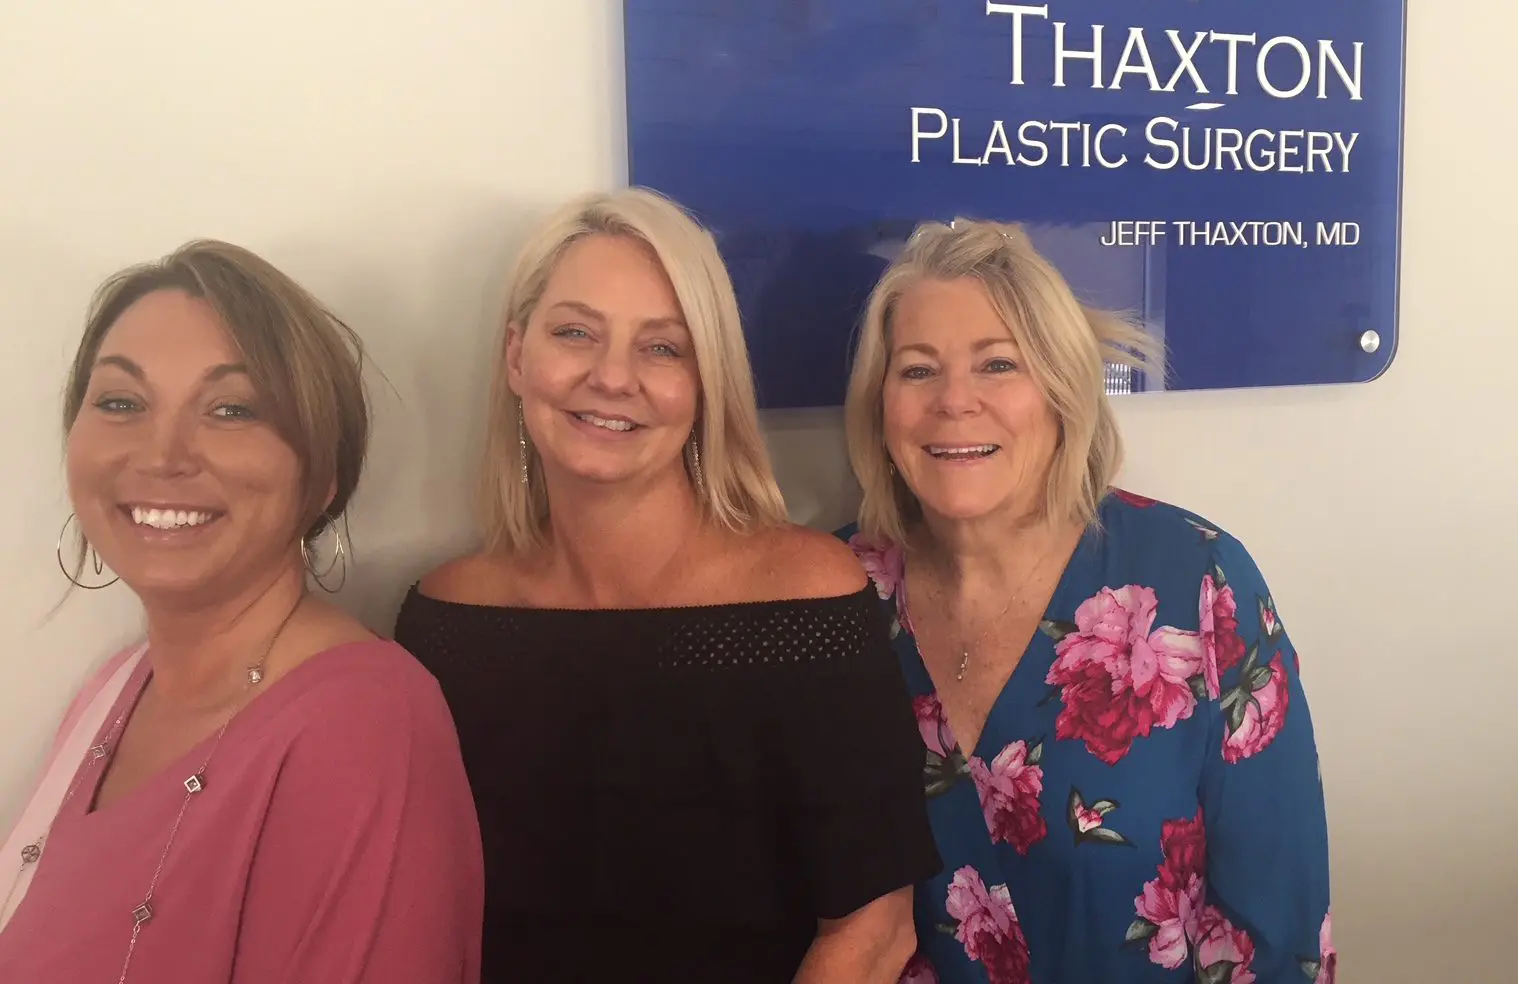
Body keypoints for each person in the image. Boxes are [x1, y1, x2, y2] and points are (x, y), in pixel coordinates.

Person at [392, 187, 940, 983]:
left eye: (662, 347)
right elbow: (424, 921)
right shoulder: (443, 620)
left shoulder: (801, 601)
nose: (612, 377)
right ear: (517, 356)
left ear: (705, 381)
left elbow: (872, 933)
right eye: (575, 332)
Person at [836, 219, 1335, 984]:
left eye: (998, 364)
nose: (954, 402)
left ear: (1062, 393)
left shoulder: (1198, 584)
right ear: (879, 403)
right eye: (916, 370)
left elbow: (1277, 928)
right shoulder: (833, 594)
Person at [0, 241, 484, 982]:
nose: (162, 456)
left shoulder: (363, 725)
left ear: (321, 474)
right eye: (121, 402)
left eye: (231, 409)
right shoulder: (113, 691)